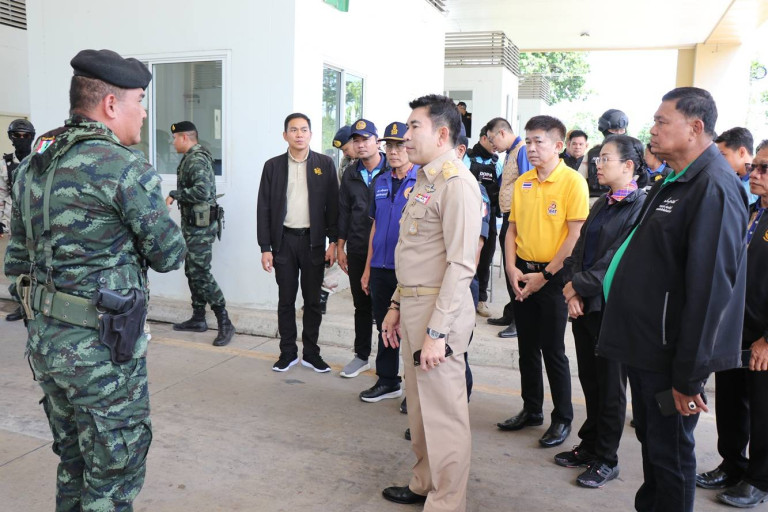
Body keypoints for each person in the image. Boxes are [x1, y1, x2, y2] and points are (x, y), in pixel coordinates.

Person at [3, 49, 186, 511]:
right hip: (102, 352)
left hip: (47, 346)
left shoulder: (33, 165)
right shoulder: (124, 168)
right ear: (110, 104)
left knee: (74, 462)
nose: (143, 112)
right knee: (113, 477)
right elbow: (169, 254)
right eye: (139, 100)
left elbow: (16, 260)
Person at [598, 87, 748, 512]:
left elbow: (712, 291)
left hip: (671, 359)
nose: (653, 129)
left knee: (671, 457)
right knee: (655, 449)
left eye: (662, 121)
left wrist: (688, 377)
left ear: (695, 128)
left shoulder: (713, 187)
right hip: (648, 346)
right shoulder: (678, 179)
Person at [380, 94, 480, 510]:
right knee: (420, 410)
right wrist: (395, 305)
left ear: (441, 134)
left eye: (413, 127)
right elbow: (414, 251)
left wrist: (437, 332)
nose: (405, 136)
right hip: (414, 305)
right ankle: (424, 482)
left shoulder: (457, 183)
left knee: (444, 416)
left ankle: (447, 502)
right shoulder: (425, 179)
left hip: (440, 312)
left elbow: (461, 265)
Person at [558, 135, 648, 488]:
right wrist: (572, 288)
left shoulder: (640, 206)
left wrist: (578, 287)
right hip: (585, 306)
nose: (597, 164)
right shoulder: (603, 203)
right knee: (591, 380)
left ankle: (607, 459)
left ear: (629, 165)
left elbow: (616, 259)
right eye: (597, 159)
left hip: (612, 309)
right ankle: (590, 444)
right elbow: (579, 249)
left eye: (605, 158)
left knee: (611, 386)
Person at [496, 115, 589, 449]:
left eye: (539, 141)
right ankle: (531, 409)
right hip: (522, 273)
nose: (531, 148)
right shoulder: (523, 182)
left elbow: (575, 236)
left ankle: (562, 417)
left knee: (553, 349)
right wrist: (510, 267)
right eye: (528, 141)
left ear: (558, 145)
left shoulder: (573, 182)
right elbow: (512, 230)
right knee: (526, 347)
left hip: (553, 277)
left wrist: (546, 275)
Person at [696, 139, 768, 509]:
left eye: (764, 169)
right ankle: (732, 464)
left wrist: (767, 340)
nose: (754, 173)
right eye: (754, 166)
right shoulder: (752, 210)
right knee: (730, 401)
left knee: (763, 410)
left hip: (762, 338)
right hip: (733, 328)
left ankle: (759, 479)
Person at [257, 113, 338, 373]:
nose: (299, 134)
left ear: (311, 134)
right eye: (294, 130)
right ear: (285, 135)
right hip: (284, 242)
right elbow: (264, 208)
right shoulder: (273, 166)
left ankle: (311, 354)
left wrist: (333, 242)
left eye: (304, 129)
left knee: (313, 302)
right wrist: (265, 248)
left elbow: (333, 207)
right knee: (286, 300)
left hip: (314, 243)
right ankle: (287, 353)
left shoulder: (324, 164)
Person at [359, 122, 417, 401]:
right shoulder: (380, 181)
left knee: (411, 330)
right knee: (384, 325)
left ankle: (415, 390)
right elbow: (375, 225)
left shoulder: (422, 181)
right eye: (390, 146)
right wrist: (368, 268)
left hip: (409, 270)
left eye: (400, 145)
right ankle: (387, 380)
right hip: (381, 267)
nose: (394, 151)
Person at [166, 121, 234, 347]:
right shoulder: (192, 157)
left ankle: (224, 321)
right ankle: (198, 317)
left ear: (184, 137)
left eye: (175, 138)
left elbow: (202, 192)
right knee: (192, 270)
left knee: (200, 273)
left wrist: (174, 194)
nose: (173, 142)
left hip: (200, 229)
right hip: (194, 226)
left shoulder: (195, 159)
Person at [337, 118, 386, 379]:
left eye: (366, 139)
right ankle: (361, 356)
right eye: (356, 140)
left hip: (386, 251)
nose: (361, 145)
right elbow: (344, 212)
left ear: (377, 142)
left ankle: (388, 365)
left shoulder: (393, 169)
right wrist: (340, 247)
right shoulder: (350, 173)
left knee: (386, 308)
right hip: (357, 248)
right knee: (362, 306)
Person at [485, 117, 533, 338]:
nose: (492, 144)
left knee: (516, 269)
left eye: (492, 139)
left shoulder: (522, 151)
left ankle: (519, 320)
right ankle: (511, 311)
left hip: (517, 220)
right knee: (508, 267)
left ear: (502, 133)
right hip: (508, 216)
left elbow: (527, 186)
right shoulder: (510, 153)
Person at [1, 118, 35, 321]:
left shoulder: (40, 159)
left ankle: (38, 305)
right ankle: (22, 304)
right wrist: (2, 223)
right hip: (17, 223)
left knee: (39, 263)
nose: (21, 139)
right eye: (17, 135)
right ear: (11, 137)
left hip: (38, 221)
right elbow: (2, 195)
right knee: (16, 265)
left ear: (32, 137)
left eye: (26, 136)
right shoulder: (5, 164)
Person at [468, 124, 503, 317]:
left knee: (486, 258)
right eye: (492, 140)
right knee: (467, 256)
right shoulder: (466, 158)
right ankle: (466, 297)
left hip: (488, 218)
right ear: (483, 138)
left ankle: (480, 299)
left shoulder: (497, 162)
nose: (496, 145)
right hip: (468, 215)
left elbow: (501, 188)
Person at [586, 109, 629, 198]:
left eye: (621, 130)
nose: (618, 134)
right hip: (594, 200)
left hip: (623, 199)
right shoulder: (592, 153)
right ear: (605, 129)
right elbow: (579, 180)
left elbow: (640, 182)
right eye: (614, 130)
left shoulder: (631, 152)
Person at [715, 127, 759, 204]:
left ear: (742, 152)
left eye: (723, 154)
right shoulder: (732, 179)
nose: (719, 160)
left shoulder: (760, 183)